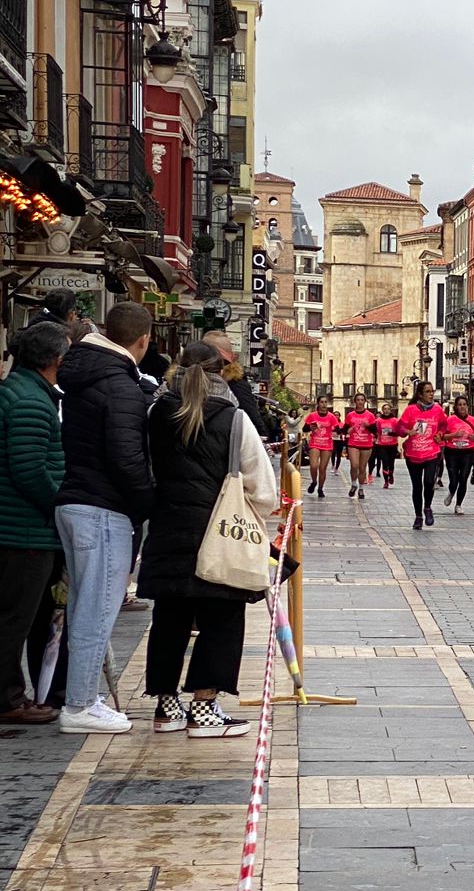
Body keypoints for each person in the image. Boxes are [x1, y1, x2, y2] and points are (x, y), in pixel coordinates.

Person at [138, 342, 279, 739]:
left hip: (167, 526)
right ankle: (204, 706)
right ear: (225, 372)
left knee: (169, 617)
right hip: (219, 533)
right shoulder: (233, 418)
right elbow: (263, 490)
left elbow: (140, 464)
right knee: (221, 618)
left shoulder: (155, 411)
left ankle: (167, 708)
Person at [53, 299, 156, 733]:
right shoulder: (120, 385)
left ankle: (84, 697)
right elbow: (126, 457)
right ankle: (79, 705)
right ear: (144, 341)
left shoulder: (82, 374)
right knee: (96, 609)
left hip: (76, 498)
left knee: (82, 606)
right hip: (103, 507)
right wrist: (148, 504)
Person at [0, 320, 69, 724]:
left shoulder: (19, 390)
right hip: (24, 529)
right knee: (15, 618)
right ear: (56, 359)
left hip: (19, 526)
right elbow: (29, 471)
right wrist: (55, 504)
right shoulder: (31, 401)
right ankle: (8, 699)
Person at [395, 381, 450, 531]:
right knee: (417, 486)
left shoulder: (437, 409)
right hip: (413, 454)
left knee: (428, 482)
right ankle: (418, 516)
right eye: (428, 391)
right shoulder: (411, 410)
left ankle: (427, 507)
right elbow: (399, 428)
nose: (431, 394)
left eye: (432, 391)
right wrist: (407, 432)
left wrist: (439, 434)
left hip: (431, 452)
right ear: (420, 394)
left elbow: (444, 424)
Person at [302, 396, 341, 499]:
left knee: (322, 468)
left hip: (327, 444)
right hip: (315, 443)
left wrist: (339, 430)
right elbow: (305, 429)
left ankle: (320, 488)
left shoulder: (331, 417)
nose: (324, 404)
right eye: (322, 402)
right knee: (314, 466)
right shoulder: (312, 416)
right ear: (318, 404)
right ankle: (314, 481)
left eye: (325, 402)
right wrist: (311, 427)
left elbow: (338, 429)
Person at [441, 399, 474, 513]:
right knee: (454, 479)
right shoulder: (450, 420)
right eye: (459, 405)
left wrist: (473, 437)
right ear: (456, 407)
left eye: (464, 404)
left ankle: (458, 505)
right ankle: (451, 492)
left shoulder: (472, 420)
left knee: (463, 478)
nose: (462, 407)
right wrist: (455, 435)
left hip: (468, 452)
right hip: (452, 452)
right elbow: (442, 436)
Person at [341, 393, 377, 499]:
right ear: (355, 401)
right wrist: (349, 430)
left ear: (365, 402)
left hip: (366, 444)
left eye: (362, 400)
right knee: (354, 465)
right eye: (358, 400)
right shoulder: (350, 415)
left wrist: (368, 426)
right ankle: (353, 484)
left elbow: (375, 432)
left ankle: (361, 488)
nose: (360, 402)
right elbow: (344, 430)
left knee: (362, 467)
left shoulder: (370, 415)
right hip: (353, 443)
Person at [372, 398, 400, 488]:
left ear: (390, 410)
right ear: (382, 410)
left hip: (392, 444)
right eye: (385, 409)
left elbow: (399, 432)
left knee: (391, 463)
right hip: (382, 444)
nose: (386, 411)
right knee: (384, 462)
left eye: (388, 409)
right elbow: (377, 431)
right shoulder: (378, 421)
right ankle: (386, 482)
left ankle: (391, 474)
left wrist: (393, 433)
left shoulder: (395, 420)